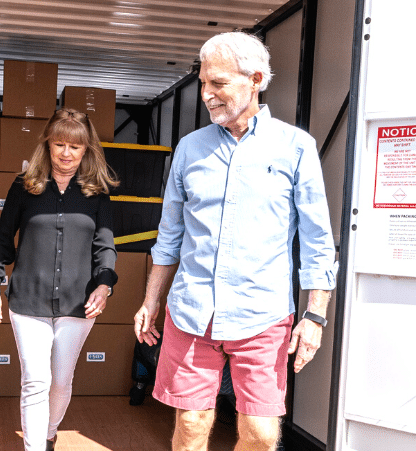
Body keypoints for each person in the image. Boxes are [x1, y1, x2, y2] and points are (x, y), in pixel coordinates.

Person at [134, 31, 338, 451]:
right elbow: (169, 235)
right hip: (192, 313)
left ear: (256, 80)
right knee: (191, 426)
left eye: (218, 84)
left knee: (261, 436)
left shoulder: (296, 148)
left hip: (262, 315)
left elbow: (318, 241)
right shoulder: (189, 149)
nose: (206, 94)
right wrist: (151, 300)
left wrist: (315, 317)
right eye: (203, 82)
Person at [0, 108, 119, 451]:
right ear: (47, 145)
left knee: (60, 382)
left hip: (79, 303)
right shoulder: (23, 187)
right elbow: (2, 239)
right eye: (59, 144)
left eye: (75, 147)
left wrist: (104, 286)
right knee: (35, 381)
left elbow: (105, 247)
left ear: (86, 150)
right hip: (29, 301)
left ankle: (48, 433)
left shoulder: (97, 193)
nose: (66, 153)